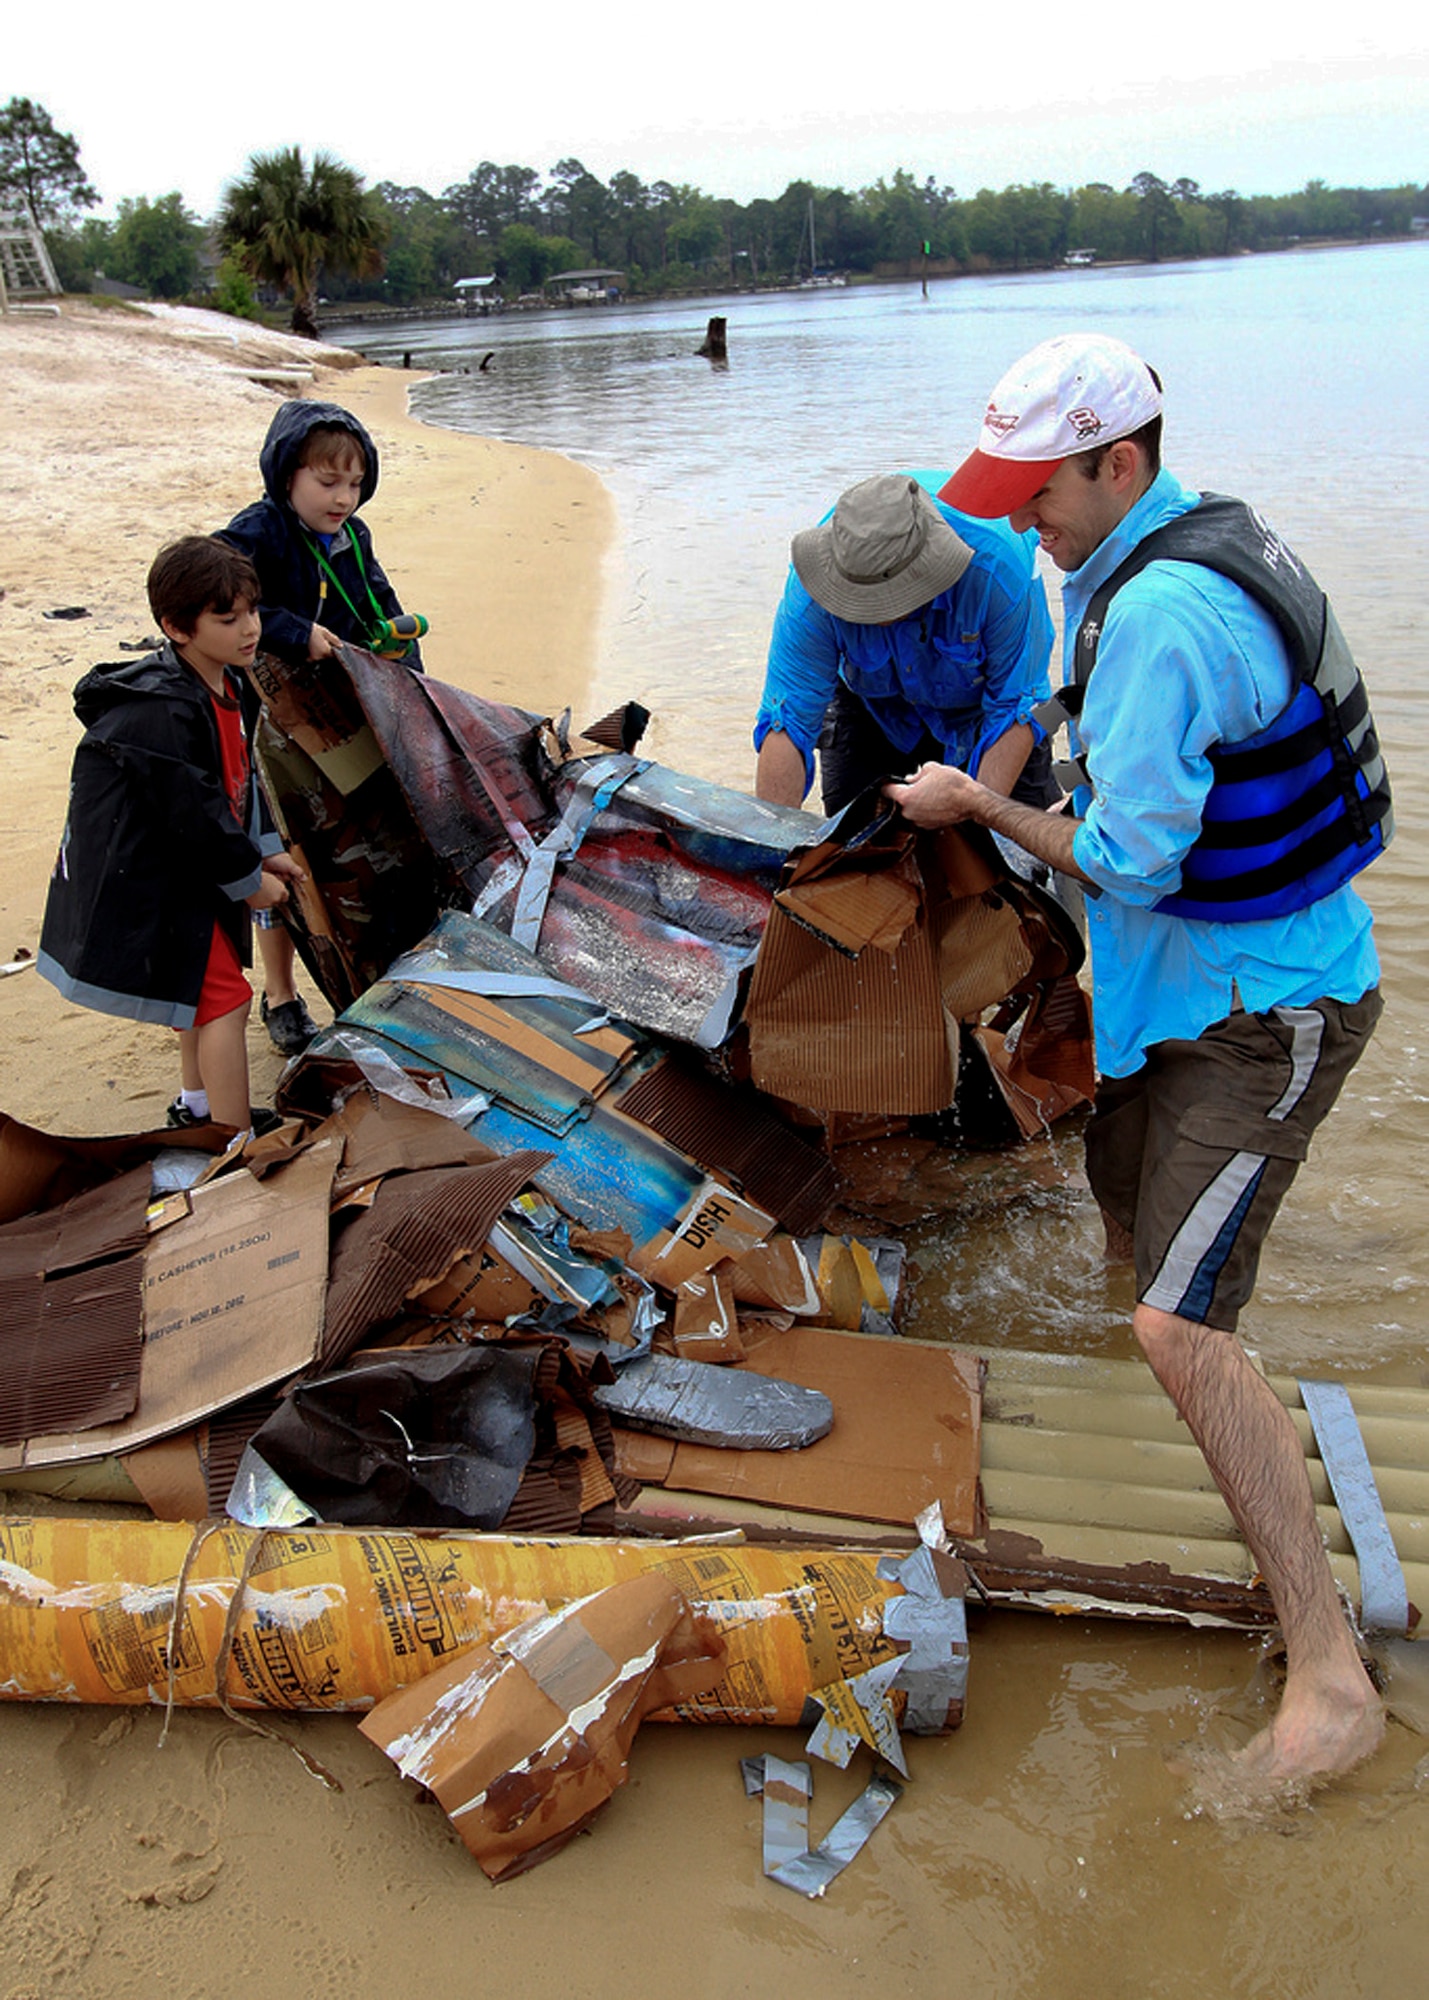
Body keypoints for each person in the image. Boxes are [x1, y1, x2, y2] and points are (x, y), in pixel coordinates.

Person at [886, 332, 1392, 1797]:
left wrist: (977, 797)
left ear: (1120, 462)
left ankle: (1330, 1679)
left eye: (1037, 491)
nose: (1016, 518)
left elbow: (1127, 859)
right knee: (1124, 1228)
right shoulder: (1126, 552)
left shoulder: (1166, 608)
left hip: (1267, 1005)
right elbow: (1099, 731)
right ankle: (1197, 1421)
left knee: (1176, 1322)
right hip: (1176, 997)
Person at [37, 537, 304, 1136]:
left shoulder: (227, 684)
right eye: (227, 618)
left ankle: (198, 1108)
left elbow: (241, 777)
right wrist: (249, 879)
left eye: (253, 612)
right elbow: (195, 810)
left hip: (188, 869)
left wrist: (266, 848)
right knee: (227, 1003)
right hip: (153, 878)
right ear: (176, 628)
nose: (249, 630)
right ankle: (231, 1143)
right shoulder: (162, 708)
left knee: (198, 993)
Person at [219, 400, 424, 1058]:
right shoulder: (258, 531)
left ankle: (358, 968)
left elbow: (378, 604)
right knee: (277, 850)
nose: (343, 498)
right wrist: (291, 630)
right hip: (262, 723)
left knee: (336, 845)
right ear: (287, 477)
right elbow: (218, 596)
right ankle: (280, 994)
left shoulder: (352, 536)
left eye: (356, 484)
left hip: (328, 719)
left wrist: (408, 686)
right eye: (327, 482)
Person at [753, 471, 1056, 814]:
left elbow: (1014, 704)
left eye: (886, 599)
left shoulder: (999, 567)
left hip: (984, 714)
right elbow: (787, 721)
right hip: (871, 708)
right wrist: (772, 849)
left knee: (1021, 849)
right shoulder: (812, 590)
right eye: (858, 600)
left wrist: (972, 814)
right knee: (850, 846)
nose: (873, 610)